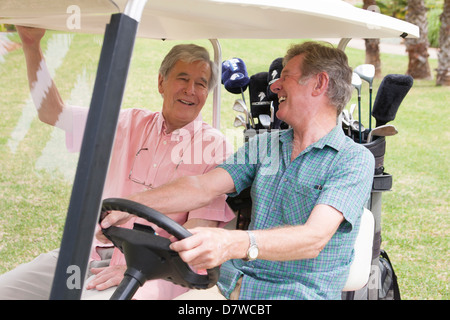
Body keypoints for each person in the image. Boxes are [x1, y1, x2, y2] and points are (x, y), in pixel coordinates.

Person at [99, 41, 375, 300]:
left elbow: (313, 238)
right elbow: (202, 188)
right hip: (233, 287)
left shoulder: (353, 160)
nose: (274, 86)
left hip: (296, 293)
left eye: (286, 76)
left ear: (319, 83)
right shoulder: (266, 146)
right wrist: (133, 205)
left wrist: (231, 242)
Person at [0, 27, 235, 300]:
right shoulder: (129, 122)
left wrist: (136, 267)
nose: (191, 90)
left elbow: (197, 235)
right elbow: (53, 113)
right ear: (161, 83)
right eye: (182, 78)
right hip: (90, 253)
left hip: (157, 269)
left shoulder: (215, 147)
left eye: (201, 83)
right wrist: (31, 45)